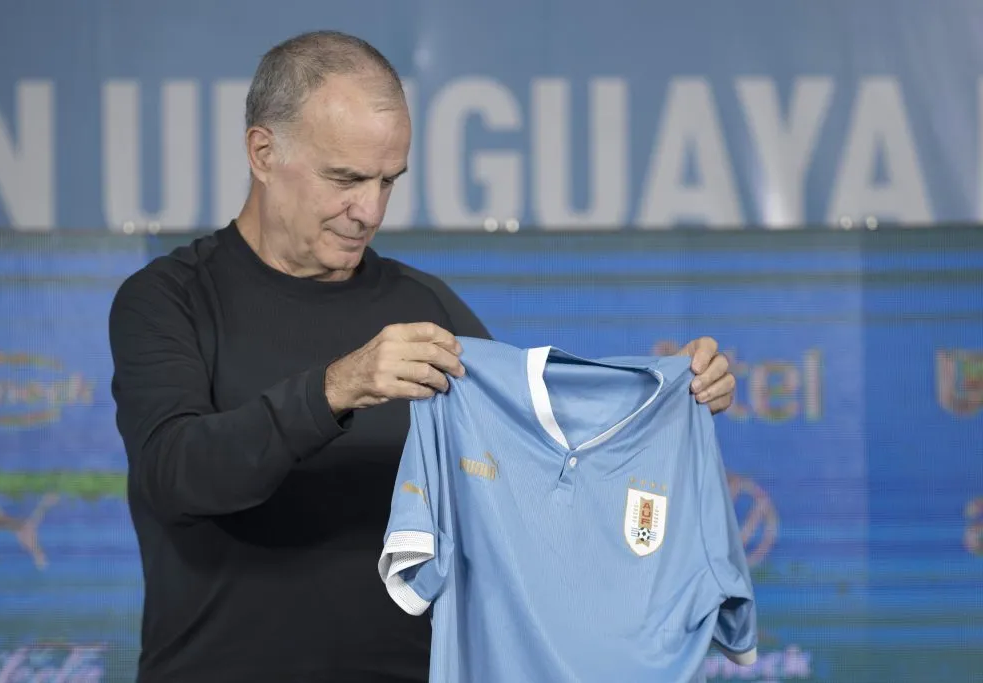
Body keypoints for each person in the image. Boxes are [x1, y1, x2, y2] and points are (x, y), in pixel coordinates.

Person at [108, 30, 739, 683]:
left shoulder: (427, 307)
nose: (370, 210)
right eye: (346, 179)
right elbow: (176, 475)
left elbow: (545, 476)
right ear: (263, 152)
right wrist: (336, 387)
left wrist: (668, 400)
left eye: (389, 181)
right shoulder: (169, 299)